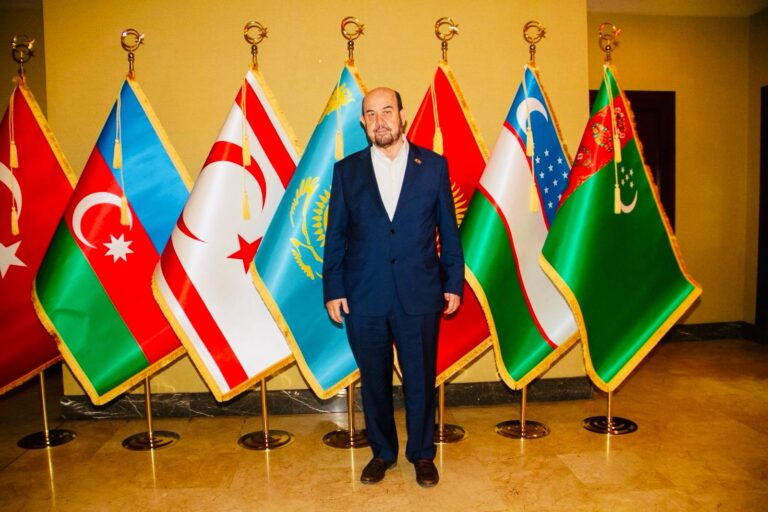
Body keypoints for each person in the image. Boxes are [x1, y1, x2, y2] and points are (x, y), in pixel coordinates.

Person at [322, 87, 464, 487]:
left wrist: (453, 281)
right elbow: (336, 236)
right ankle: (382, 453)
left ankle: (422, 453)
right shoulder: (347, 171)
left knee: (420, 379)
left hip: (419, 293)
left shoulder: (433, 166)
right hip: (364, 295)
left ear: (403, 115)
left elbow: (448, 230)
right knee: (374, 382)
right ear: (363, 122)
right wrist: (333, 288)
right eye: (371, 114)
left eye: (387, 111)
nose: (380, 120)